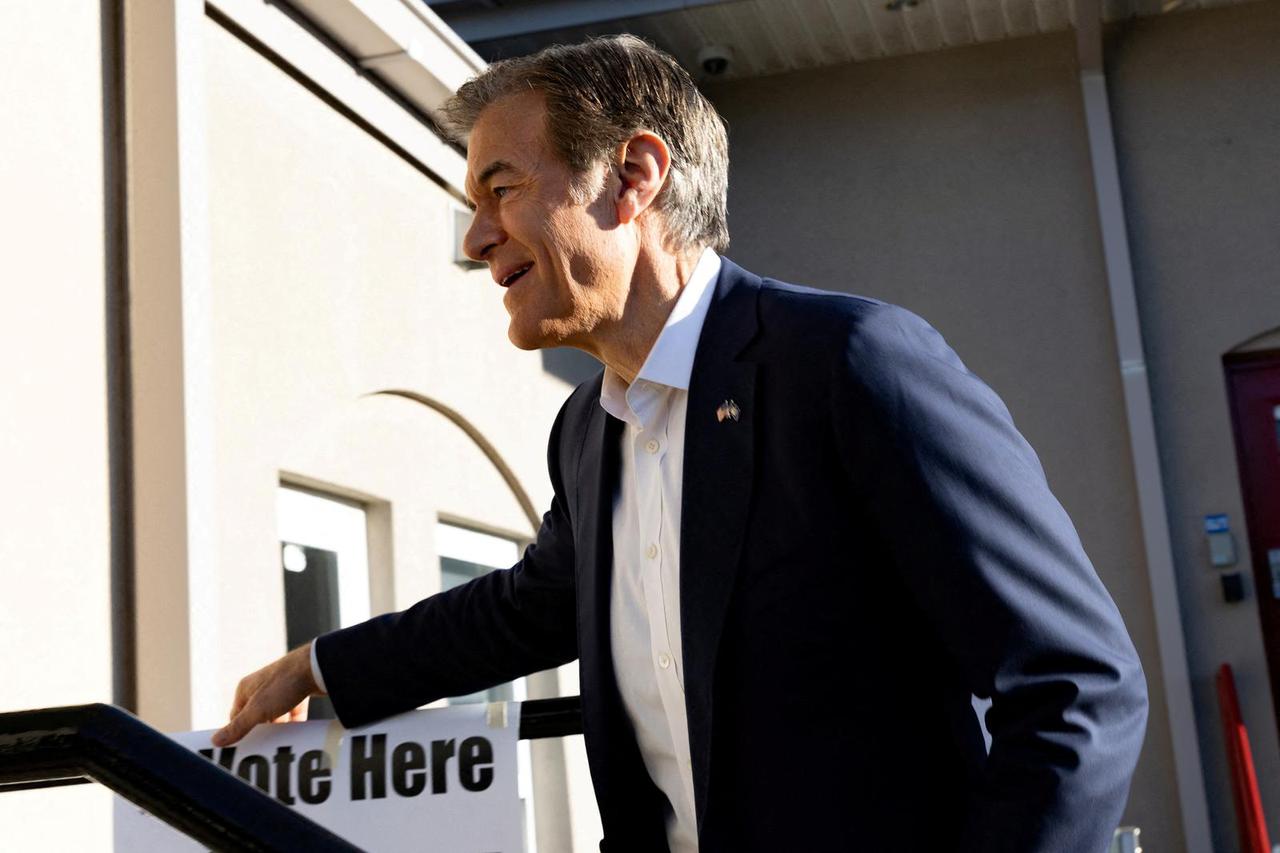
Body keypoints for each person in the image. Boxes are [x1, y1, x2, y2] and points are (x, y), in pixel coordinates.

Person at [214, 35, 1148, 852]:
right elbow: (529, 607)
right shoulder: (586, 429)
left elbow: (1076, 684)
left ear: (634, 177)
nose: (474, 238)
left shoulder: (850, 363)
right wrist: (323, 666)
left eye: (501, 187)